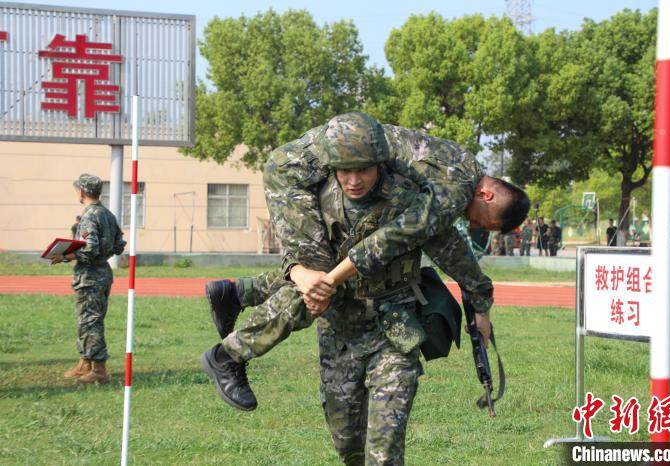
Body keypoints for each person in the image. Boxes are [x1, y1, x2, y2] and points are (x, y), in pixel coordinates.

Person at [202, 129, 527, 464]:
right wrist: (317, 276)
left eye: (363, 169)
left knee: (383, 453)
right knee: (350, 448)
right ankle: (233, 324)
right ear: (332, 167)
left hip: (393, 328)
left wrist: (480, 304)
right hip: (339, 333)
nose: (354, 179)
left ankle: (235, 309)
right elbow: (308, 258)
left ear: (380, 165)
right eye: (345, 170)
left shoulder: (416, 195)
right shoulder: (321, 197)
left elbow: (448, 249)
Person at [52, 174, 126, 384]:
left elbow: (91, 248)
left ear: (82, 192)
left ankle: (99, 370)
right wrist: (103, 251)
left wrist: (65, 255)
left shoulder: (90, 216)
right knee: (89, 318)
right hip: (103, 272)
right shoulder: (107, 214)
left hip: (90, 275)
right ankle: (85, 362)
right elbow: (119, 243)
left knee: (90, 320)